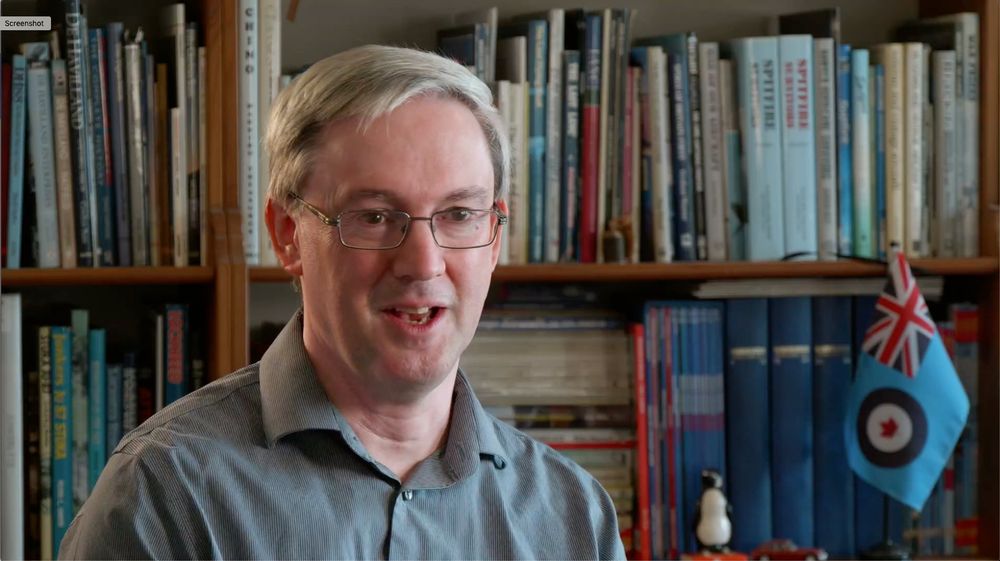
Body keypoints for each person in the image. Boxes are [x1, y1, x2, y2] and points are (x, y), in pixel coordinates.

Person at [59, 45, 625, 560]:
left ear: (495, 235)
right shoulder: (166, 494)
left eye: (459, 215)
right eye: (375, 217)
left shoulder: (573, 514)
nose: (424, 264)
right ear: (287, 235)